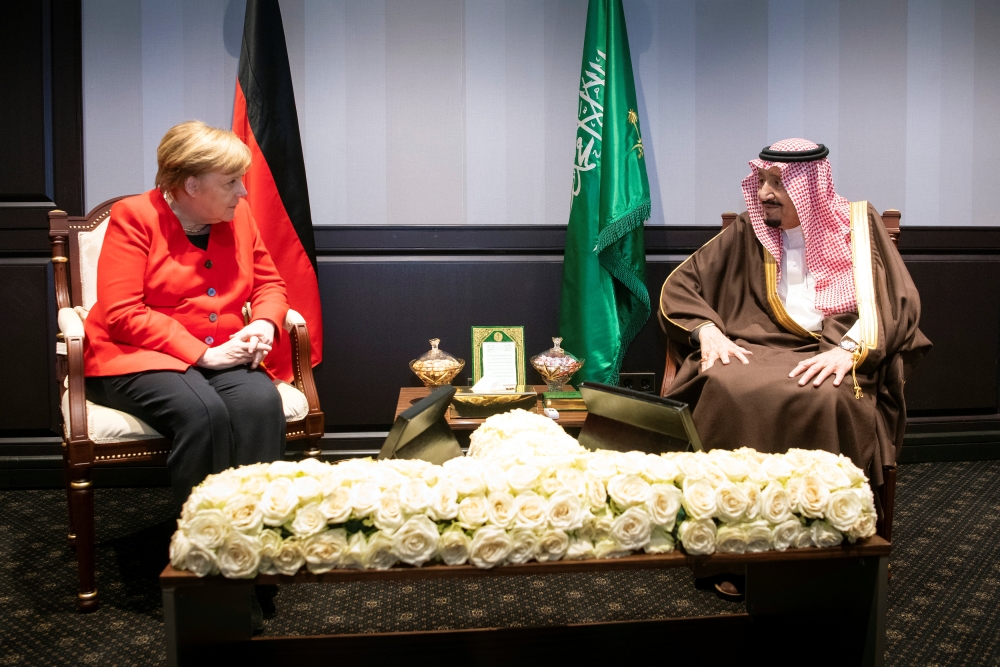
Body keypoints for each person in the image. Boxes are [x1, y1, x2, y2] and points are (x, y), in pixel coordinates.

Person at [659, 138, 931, 593]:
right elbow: (683, 285)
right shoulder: (750, 229)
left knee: (826, 399)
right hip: (760, 344)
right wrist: (708, 330)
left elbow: (896, 303)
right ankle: (731, 555)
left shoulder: (859, 226)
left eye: (778, 184)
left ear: (810, 185)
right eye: (762, 180)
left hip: (837, 349)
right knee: (726, 385)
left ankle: (830, 551)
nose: (765, 192)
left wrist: (849, 350)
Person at [83, 120, 289, 510]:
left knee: (261, 404)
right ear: (191, 185)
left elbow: (270, 285)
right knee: (203, 413)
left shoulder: (240, 215)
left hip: (221, 352)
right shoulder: (135, 217)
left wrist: (263, 322)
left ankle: (257, 535)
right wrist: (203, 354)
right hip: (135, 356)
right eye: (231, 182)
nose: (242, 191)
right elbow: (121, 312)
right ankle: (201, 548)